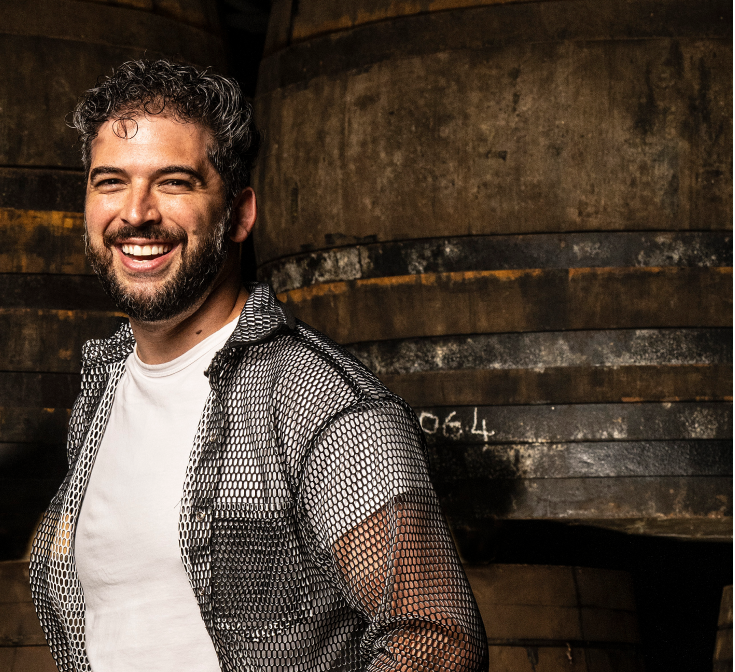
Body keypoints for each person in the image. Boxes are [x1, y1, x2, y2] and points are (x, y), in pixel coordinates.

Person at [28, 59, 487, 672]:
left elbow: (439, 640)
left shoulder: (319, 402)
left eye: (174, 183)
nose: (135, 213)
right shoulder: (105, 383)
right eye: (110, 182)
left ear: (240, 213)